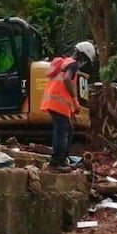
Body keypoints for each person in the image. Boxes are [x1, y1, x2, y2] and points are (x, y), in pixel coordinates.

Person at [43, 40, 96, 169]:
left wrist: (71, 110)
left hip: (55, 103)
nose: (84, 63)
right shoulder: (73, 65)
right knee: (61, 133)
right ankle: (56, 162)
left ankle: (63, 159)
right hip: (58, 103)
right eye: (86, 60)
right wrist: (75, 100)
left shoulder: (65, 62)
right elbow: (67, 79)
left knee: (69, 129)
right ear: (82, 55)